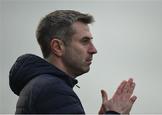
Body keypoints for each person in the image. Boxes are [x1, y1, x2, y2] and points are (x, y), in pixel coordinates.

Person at [9, 10, 137, 114]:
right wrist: (114, 113)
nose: (94, 50)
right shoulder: (53, 90)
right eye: (84, 41)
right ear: (58, 47)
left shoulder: (42, 86)